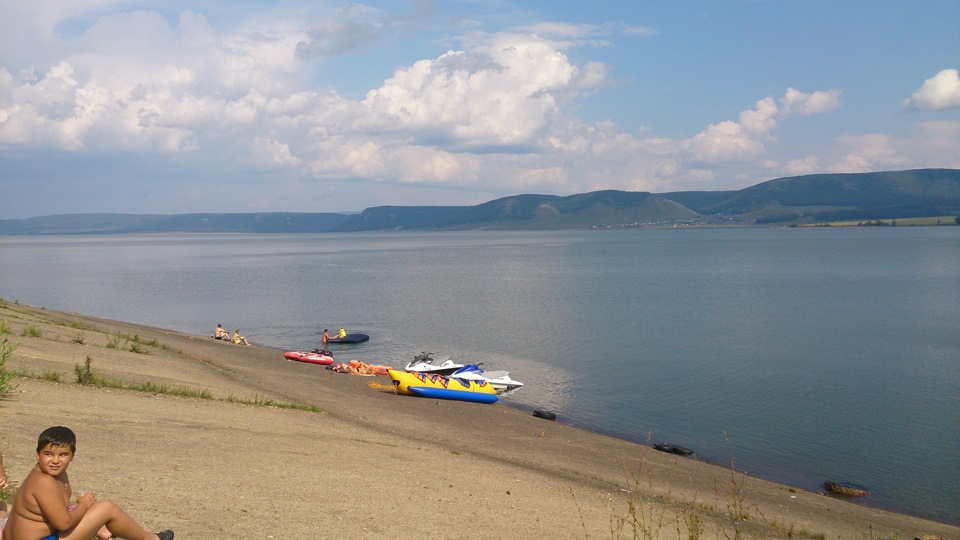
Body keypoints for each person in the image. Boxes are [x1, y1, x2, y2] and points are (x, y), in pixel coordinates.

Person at [2, 426, 173, 540]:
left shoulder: (52, 473)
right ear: (37, 455)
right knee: (106, 507)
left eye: (62, 455)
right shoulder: (43, 482)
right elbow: (64, 523)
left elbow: (58, 507)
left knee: (91, 508)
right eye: (48, 454)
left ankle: (103, 531)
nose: (55, 460)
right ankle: (151, 539)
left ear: (72, 456)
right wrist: (84, 505)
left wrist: (83, 507)